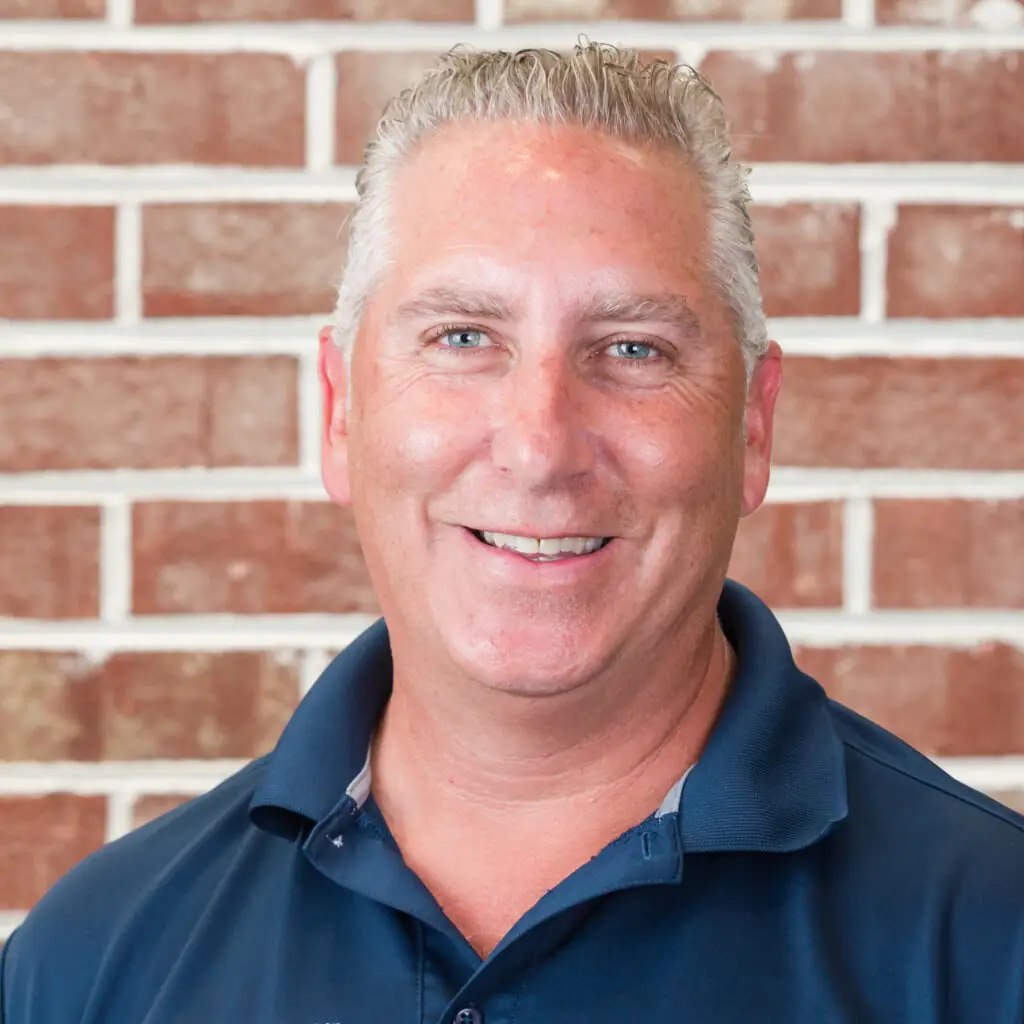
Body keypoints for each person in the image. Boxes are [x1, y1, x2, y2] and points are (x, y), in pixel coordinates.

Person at [2, 42, 1022, 1024]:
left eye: (633, 348)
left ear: (752, 426)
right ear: (340, 410)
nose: (539, 449)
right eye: (462, 337)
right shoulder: (88, 967)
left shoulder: (992, 943)